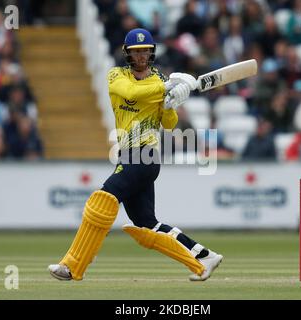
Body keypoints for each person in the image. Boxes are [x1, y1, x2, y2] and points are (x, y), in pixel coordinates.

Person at [48, 28, 223, 282]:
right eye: (136, 52)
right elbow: (131, 93)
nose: (141, 56)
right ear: (127, 54)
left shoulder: (159, 81)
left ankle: (72, 266)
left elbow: (170, 124)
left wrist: (173, 102)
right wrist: (166, 89)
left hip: (145, 156)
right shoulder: (116, 75)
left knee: (102, 202)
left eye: (145, 52)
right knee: (146, 224)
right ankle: (203, 258)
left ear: (151, 53)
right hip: (127, 155)